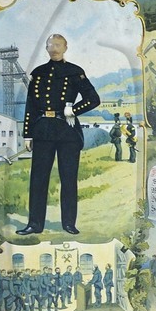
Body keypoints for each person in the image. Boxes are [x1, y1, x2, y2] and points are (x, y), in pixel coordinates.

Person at [18, 33, 99, 236]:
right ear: (46, 48)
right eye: (50, 45)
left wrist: (74, 110)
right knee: (38, 179)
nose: (54, 48)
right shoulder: (38, 73)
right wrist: (27, 134)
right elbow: (30, 106)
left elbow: (93, 99)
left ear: (65, 47)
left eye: (58, 45)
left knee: (68, 178)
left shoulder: (74, 72)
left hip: (67, 132)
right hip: (42, 131)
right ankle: (35, 224)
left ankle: (69, 224)